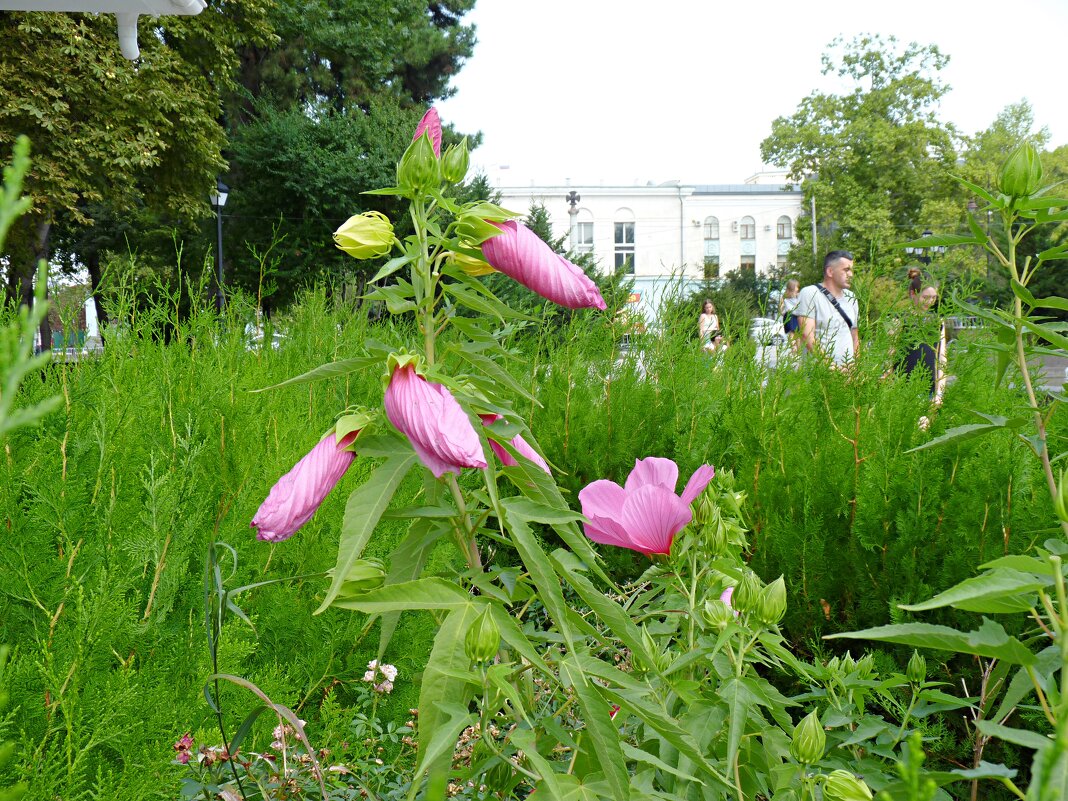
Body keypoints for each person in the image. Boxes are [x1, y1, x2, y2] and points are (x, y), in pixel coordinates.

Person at [895, 271, 948, 422]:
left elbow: (942, 358)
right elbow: (890, 355)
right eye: (925, 297)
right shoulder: (900, 320)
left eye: (933, 298)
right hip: (903, 388)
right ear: (913, 294)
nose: (929, 302)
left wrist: (939, 393)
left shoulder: (938, 321)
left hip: (930, 390)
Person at [796, 251, 858, 367]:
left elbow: (854, 335)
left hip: (848, 373)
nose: (851, 274)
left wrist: (856, 368)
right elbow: (807, 336)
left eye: (851, 270)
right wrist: (832, 368)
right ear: (830, 271)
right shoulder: (810, 293)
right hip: (819, 374)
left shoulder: (851, 297)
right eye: (846, 270)